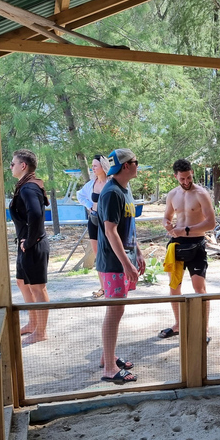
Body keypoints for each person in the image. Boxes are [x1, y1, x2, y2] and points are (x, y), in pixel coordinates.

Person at [97, 148, 145, 384]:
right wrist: (126, 264)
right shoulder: (112, 193)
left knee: (118, 310)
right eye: (136, 162)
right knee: (114, 310)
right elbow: (110, 231)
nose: (138, 166)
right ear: (126, 166)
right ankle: (108, 369)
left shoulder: (125, 190)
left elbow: (130, 228)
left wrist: (138, 253)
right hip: (113, 263)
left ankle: (109, 356)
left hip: (124, 260)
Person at [159, 159, 216, 340]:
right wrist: (167, 224)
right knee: (174, 287)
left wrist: (185, 230)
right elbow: (167, 216)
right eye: (182, 179)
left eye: (188, 177)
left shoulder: (201, 193)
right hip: (176, 245)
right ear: (175, 176)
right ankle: (178, 324)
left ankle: (204, 329)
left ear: (192, 172)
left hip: (196, 243)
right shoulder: (172, 194)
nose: (186, 182)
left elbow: (211, 223)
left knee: (199, 288)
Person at [9, 149, 51, 345]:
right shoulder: (27, 185)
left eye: (12, 164)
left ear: (22, 166)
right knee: (22, 283)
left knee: (37, 288)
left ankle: (41, 331)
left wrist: (30, 240)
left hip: (33, 244)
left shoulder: (28, 188)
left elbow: (35, 214)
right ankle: (32, 324)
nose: (10, 167)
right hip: (26, 243)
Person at [76, 154, 111, 298]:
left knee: (110, 252)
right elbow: (80, 195)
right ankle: (103, 287)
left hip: (109, 221)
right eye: (92, 166)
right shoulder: (91, 184)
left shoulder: (111, 182)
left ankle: (112, 285)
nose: (93, 168)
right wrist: (90, 206)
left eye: (95, 165)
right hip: (94, 220)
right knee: (98, 255)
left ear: (103, 166)